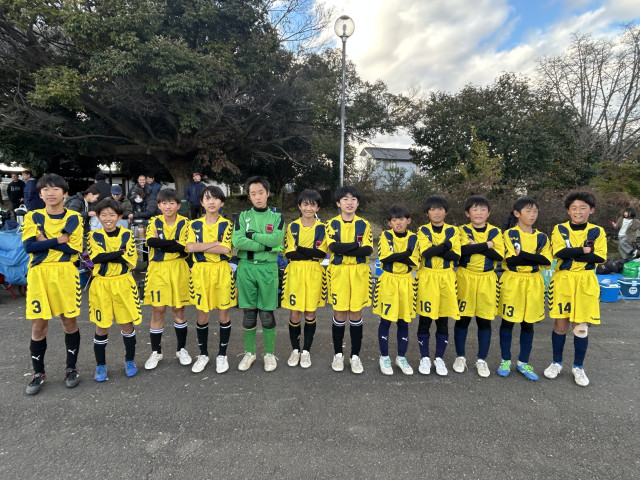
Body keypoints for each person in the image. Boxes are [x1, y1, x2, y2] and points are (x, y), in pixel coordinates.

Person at [21, 173, 83, 395]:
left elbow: (74, 248)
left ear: (64, 193)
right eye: (45, 189)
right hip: (39, 274)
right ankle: (38, 373)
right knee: (39, 326)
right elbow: (29, 247)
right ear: (40, 194)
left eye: (55, 189)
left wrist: (44, 241)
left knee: (69, 322)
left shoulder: (74, 217)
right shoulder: (33, 216)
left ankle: (71, 369)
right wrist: (58, 240)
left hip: (65, 273)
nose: (50, 193)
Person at [544, 192, 607, 387]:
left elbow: (600, 257)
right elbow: (558, 252)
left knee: (580, 328)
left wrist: (571, 254)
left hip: (586, 281)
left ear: (591, 210)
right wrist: (584, 250)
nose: (578, 211)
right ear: (568, 211)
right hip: (563, 280)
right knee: (560, 325)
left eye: (582, 208)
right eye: (574, 208)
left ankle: (578, 367)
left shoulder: (597, 231)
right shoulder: (560, 229)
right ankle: (556, 363)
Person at [233, 176, 285, 372]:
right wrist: (265, 245)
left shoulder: (277, 217)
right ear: (249, 196)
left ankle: (269, 354)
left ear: (268, 193)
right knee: (249, 314)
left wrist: (252, 235)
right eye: (253, 193)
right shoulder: (242, 217)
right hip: (246, 267)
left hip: (267, 268)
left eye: (261, 192)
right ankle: (250, 353)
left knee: (266, 313)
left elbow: (277, 240)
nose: (257, 197)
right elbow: (238, 242)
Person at [497, 197, 552, 381]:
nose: (532, 215)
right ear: (517, 213)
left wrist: (524, 256)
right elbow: (512, 260)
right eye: (528, 211)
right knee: (508, 321)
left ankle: (523, 362)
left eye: (535, 211)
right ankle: (505, 360)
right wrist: (534, 257)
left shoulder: (542, 237)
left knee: (528, 323)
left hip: (534, 282)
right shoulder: (509, 234)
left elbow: (547, 260)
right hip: (513, 281)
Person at [87, 198, 142, 381]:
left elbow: (131, 260)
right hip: (101, 285)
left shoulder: (127, 234)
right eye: (103, 215)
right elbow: (96, 258)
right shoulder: (93, 236)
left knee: (126, 324)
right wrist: (119, 253)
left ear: (119, 216)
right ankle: (101, 365)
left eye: (112, 215)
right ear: (98, 217)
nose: (108, 218)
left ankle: (130, 361)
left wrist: (108, 255)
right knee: (102, 326)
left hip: (123, 283)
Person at [185, 186, 237, 373]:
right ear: (202, 202)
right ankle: (203, 354)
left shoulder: (227, 225)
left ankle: (222, 355)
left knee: (223, 313)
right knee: (202, 314)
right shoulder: (194, 225)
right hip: (200, 271)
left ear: (222, 202)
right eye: (207, 198)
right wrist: (214, 243)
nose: (211, 201)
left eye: (215, 198)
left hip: (221, 271)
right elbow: (190, 247)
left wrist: (201, 246)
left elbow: (225, 249)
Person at [453, 196, 504, 377]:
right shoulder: (461, 230)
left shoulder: (495, 231)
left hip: (487, 279)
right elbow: (461, 251)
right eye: (475, 209)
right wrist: (487, 245)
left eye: (483, 209)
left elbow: (499, 256)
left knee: (484, 320)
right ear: (467, 213)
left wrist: (476, 246)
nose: (479, 213)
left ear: (489, 213)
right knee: (463, 318)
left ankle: (482, 360)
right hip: (465, 278)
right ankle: (460, 357)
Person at [142, 189, 192, 371]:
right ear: (159, 205)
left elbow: (184, 247)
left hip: (179, 269)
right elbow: (151, 242)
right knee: (158, 310)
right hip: (158, 269)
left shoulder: (186, 223)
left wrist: (163, 244)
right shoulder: (154, 221)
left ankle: (181, 349)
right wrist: (174, 243)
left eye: (172, 203)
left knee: (178, 309)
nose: (168, 206)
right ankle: (156, 351)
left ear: (178, 205)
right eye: (164, 203)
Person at [325, 185, 373, 374]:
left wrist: (344, 248)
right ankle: (338, 354)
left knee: (356, 314)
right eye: (345, 199)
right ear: (338, 203)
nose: (349, 202)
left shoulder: (364, 224)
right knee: (339, 313)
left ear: (358, 203)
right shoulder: (331, 224)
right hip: (339, 272)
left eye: (353, 199)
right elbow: (333, 248)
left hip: (359, 273)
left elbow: (367, 250)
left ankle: (355, 356)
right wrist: (355, 246)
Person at [281, 189, 328, 369]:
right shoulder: (292, 226)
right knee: (295, 313)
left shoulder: (322, 228)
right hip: (295, 272)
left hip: (314, 273)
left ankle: (306, 351)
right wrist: (309, 252)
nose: (309, 208)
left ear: (318, 207)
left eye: (313, 204)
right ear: (299, 206)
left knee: (310, 312)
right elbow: (289, 253)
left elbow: (321, 253)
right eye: (305, 204)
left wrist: (300, 249)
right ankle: (295, 350)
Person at [415, 195, 461, 376]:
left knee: (443, 319)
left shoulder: (453, 231)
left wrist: (437, 247)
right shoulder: (423, 230)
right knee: (425, 318)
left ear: (446, 211)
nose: (436, 212)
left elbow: (455, 256)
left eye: (440, 209)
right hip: (427, 277)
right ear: (427, 213)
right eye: (432, 209)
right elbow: (426, 253)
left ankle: (439, 358)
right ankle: (424, 357)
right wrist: (446, 246)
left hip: (447, 277)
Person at [372, 206, 420, 376]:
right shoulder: (385, 236)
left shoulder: (414, 238)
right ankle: (384, 357)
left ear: (409, 220)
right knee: (386, 320)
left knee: (403, 321)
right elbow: (385, 258)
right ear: (389, 223)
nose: (398, 222)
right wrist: (406, 253)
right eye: (394, 220)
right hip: (388, 281)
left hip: (406, 282)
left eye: (401, 219)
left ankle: (401, 357)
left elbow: (414, 263)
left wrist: (398, 255)